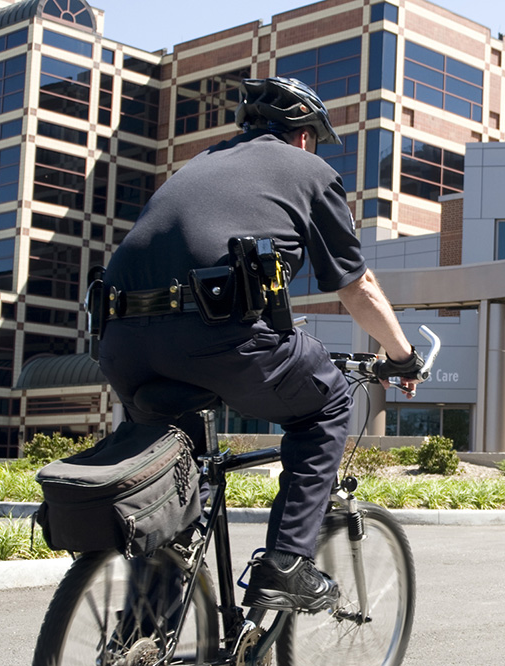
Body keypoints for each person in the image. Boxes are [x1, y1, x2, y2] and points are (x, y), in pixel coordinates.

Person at [97, 77, 424, 613]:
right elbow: (355, 285)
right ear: (303, 138)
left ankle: (147, 624)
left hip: (121, 345)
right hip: (220, 340)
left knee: (181, 475)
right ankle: (287, 564)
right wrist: (400, 356)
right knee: (329, 402)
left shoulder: (198, 165)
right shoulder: (311, 171)